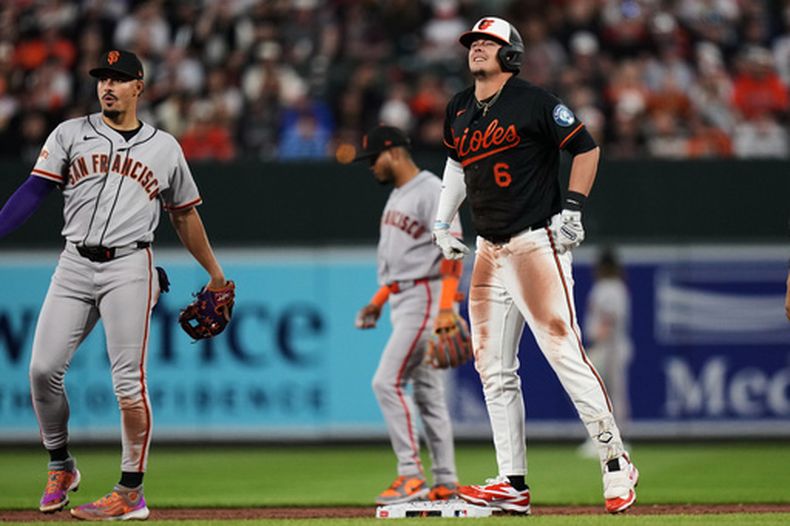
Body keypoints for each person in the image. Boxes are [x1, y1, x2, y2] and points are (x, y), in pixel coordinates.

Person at [0, 50, 230, 520]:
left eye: (119, 79)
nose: (108, 85)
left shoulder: (164, 147)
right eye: (103, 78)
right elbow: (35, 189)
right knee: (42, 370)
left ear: (138, 87)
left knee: (128, 382)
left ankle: (130, 490)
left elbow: (184, 215)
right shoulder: (69, 133)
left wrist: (215, 274)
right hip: (73, 263)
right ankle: (61, 465)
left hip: (130, 266)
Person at [431, 17, 639, 514]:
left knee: (564, 353)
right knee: (492, 369)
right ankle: (512, 482)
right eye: (474, 42)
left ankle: (615, 462)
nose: (477, 47)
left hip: (533, 243)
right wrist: (442, 220)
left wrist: (573, 208)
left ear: (511, 54)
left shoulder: (536, 102)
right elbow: (457, 165)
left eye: (489, 42)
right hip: (488, 248)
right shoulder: (459, 107)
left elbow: (586, 149)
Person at [353, 125, 463, 505]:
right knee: (429, 395)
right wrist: (378, 301)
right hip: (406, 297)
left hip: (426, 297)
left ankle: (411, 475)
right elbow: (403, 263)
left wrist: (446, 307)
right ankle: (446, 481)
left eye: (374, 158)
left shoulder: (431, 189)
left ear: (395, 152)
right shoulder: (400, 194)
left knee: (385, 382)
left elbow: (451, 249)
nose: (371, 166)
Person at [578, 249, 633, 458]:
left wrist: (596, 342)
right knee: (604, 393)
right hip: (610, 346)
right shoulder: (615, 287)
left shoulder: (609, 288)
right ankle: (607, 438)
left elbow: (609, 318)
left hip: (609, 346)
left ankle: (611, 439)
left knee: (603, 394)